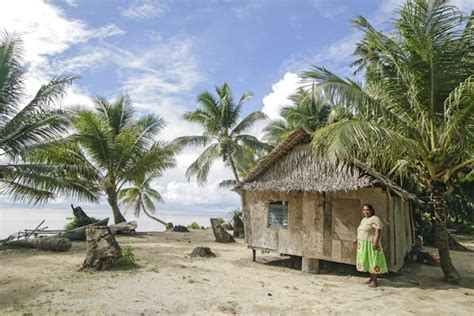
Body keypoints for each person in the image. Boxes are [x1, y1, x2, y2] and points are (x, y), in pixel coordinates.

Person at [353, 204, 388, 288]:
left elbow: (378, 231)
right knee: (367, 261)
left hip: (370, 243)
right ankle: (371, 278)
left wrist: (375, 243)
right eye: (364, 210)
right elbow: (361, 230)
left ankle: (375, 281)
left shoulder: (375, 219)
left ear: (371, 210)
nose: (365, 212)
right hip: (363, 244)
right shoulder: (364, 220)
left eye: (367, 210)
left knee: (373, 260)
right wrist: (356, 239)